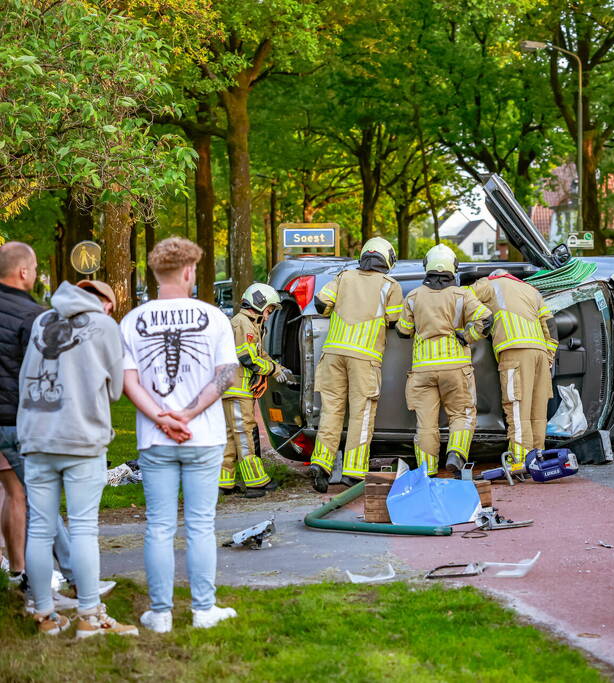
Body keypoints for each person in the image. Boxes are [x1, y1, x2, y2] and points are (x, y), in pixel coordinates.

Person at [120, 237, 238, 633]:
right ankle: (204, 609)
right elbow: (226, 374)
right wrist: (187, 414)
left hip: (155, 438)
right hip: (203, 436)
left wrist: (162, 417)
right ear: (189, 272)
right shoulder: (214, 317)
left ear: (155, 274)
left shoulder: (133, 320)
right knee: (201, 524)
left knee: (158, 525)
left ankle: (161, 612)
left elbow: (128, 380)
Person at [20, 280, 136, 637]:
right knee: (84, 526)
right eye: (111, 306)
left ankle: (44, 615)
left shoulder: (43, 321)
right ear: (101, 302)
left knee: (40, 529)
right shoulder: (104, 325)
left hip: (36, 435)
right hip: (80, 437)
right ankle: (90, 614)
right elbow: (116, 390)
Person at [0, 242, 75, 602]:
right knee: (37, 500)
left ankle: (18, 569)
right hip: (17, 420)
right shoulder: (35, 316)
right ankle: (60, 578)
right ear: (25, 273)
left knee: (16, 493)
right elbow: (49, 373)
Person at [309, 238, 403, 491]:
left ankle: (321, 463)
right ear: (388, 260)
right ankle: (353, 471)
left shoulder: (344, 277)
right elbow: (396, 321)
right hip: (364, 358)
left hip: (332, 355)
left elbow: (320, 304)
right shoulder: (390, 285)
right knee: (361, 414)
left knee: (331, 411)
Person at [396, 244, 491, 475]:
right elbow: (486, 320)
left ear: (427, 266)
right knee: (461, 414)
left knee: (426, 423)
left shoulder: (413, 296)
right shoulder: (463, 294)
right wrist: (467, 336)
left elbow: (403, 330)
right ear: (453, 267)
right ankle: (456, 454)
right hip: (456, 367)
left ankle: (426, 471)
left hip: (422, 370)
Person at [469, 268, 557, 474]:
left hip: (514, 351)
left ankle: (519, 461)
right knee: (537, 411)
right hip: (540, 353)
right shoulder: (530, 289)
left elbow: (463, 298)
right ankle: (538, 458)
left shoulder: (489, 283)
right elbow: (550, 324)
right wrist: (549, 354)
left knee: (517, 409)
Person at [220, 283, 292, 498]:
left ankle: (224, 482)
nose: (269, 316)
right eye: (269, 310)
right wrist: (272, 370)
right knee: (245, 434)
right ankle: (255, 482)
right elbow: (248, 358)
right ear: (259, 304)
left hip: (234, 388)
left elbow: (260, 354)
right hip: (237, 388)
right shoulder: (243, 324)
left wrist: (278, 367)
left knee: (231, 437)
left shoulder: (250, 323)